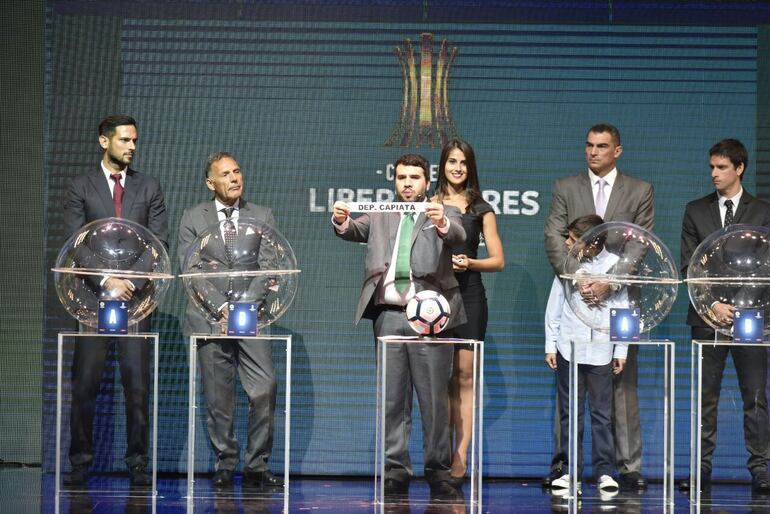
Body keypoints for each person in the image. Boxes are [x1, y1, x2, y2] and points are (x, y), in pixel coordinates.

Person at [332, 154, 467, 501]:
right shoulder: (381, 212)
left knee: (434, 400)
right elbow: (353, 230)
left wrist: (441, 223)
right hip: (389, 316)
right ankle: (395, 471)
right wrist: (341, 220)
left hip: (431, 320)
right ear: (395, 181)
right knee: (392, 399)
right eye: (402, 177)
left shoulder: (444, 211)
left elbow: (458, 235)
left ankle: (438, 471)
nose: (407, 183)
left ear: (427, 182)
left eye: (415, 177)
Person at [543, 123, 654, 490]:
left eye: (602, 146)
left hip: (618, 302)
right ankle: (565, 466)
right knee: (570, 401)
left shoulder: (639, 190)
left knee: (620, 391)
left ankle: (624, 467)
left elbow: (639, 243)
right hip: (574, 295)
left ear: (617, 151)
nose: (593, 152)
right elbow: (554, 237)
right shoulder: (566, 187)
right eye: (589, 145)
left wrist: (610, 281)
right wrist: (580, 277)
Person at [63, 114, 169, 486]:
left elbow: (158, 241)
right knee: (85, 384)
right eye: (125, 140)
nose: (132, 146)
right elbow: (75, 241)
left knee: (137, 385)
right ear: (104, 141)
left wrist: (130, 282)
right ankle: (80, 462)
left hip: (135, 301)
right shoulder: (81, 185)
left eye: (135, 140)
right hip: (92, 299)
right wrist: (108, 280)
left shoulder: (149, 186)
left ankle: (138, 463)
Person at [177, 152, 283, 489]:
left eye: (237, 171)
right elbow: (190, 269)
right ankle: (225, 462)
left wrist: (241, 309)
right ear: (210, 182)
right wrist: (222, 307)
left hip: (252, 318)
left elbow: (269, 267)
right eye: (225, 174)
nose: (234, 178)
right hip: (209, 318)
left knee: (264, 388)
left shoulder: (262, 215)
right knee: (218, 398)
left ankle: (256, 465)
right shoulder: (193, 217)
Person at [679, 138, 770, 493]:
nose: (714, 174)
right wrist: (713, 303)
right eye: (712, 167)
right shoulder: (696, 210)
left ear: (740, 168)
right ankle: (700, 470)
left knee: (755, 397)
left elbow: (765, 265)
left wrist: (744, 304)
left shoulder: (762, 211)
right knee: (706, 398)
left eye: (722, 167)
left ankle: (760, 469)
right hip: (707, 316)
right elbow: (690, 264)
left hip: (752, 317)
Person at [432, 139, 504, 484]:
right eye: (452, 161)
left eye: (463, 162)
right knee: (438, 380)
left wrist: (470, 263)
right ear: (442, 165)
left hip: (471, 296)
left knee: (464, 377)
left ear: (470, 167)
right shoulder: (429, 204)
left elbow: (498, 260)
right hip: (434, 299)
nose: (457, 168)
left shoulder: (481, 209)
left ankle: (460, 456)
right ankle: (440, 452)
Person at [545, 214, 626, 495]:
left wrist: (621, 349)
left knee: (602, 415)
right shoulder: (568, 264)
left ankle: (604, 473)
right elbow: (555, 305)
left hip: (602, 350)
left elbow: (624, 308)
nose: (567, 244)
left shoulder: (615, 265)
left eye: (572, 239)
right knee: (570, 413)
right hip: (569, 348)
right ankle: (570, 473)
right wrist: (550, 344)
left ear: (590, 243)